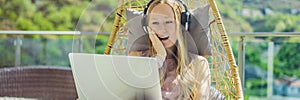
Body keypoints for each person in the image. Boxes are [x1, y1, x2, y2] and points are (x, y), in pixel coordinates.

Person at [128, 0, 211, 99]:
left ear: (181, 26)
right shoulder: (136, 59)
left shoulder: (199, 64)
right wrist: (159, 57)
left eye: (168, 22)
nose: (162, 29)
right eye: (155, 23)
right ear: (147, 28)